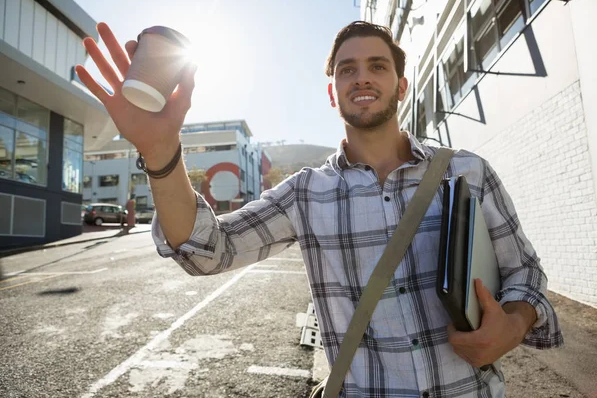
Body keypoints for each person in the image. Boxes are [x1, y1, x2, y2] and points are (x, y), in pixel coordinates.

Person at [76, 21, 563, 398]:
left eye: (377, 66)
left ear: (402, 86)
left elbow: (526, 273)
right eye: (346, 69)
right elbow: (208, 251)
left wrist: (514, 324)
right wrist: (162, 154)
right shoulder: (305, 193)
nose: (362, 78)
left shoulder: (468, 171)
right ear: (333, 93)